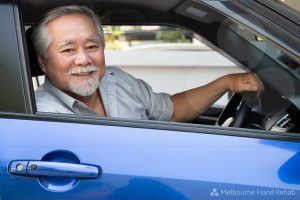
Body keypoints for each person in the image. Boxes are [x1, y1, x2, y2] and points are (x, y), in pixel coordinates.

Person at [33, 5, 264, 122]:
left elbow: (171, 110)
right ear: (43, 62)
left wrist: (226, 82)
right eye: (68, 49)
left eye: (92, 46)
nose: (83, 59)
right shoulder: (39, 115)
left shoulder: (116, 80)